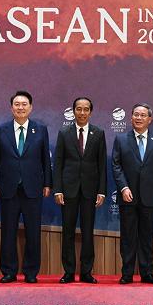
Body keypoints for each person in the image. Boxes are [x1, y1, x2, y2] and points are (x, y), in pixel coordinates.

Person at [0, 91, 52, 284]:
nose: (20, 107)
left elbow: (45, 160)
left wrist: (47, 183)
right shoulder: (1, 130)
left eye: (24, 104)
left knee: (33, 232)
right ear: (11, 108)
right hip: (8, 188)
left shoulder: (40, 130)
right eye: (16, 104)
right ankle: (8, 271)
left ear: (31, 107)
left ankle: (31, 272)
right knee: (8, 232)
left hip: (33, 188)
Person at [111, 103, 153, 284]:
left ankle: (147, 273)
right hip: (127, 195)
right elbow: (116, 165)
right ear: (131, 117)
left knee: (146, 236)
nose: (139, 118)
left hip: (150, 196)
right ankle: (127, 273)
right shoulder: (121, 139)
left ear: (149, 119)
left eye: (143, 115)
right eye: (136, 114)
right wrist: (123, 187)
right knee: (127, 237)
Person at [53, 97, 107, 284]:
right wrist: (57, 189)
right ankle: (68, 272)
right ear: (73, 111)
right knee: (67, 231)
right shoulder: (64, 132)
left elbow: (102, 164)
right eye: (79, 109)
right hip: (68, 191)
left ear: (90, 112)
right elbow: (58, 163)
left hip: (90, 191)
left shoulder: (98, 133)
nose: (82, 113)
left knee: (87, 231)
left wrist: (101, 191)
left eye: (86, 109)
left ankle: (86, 272)